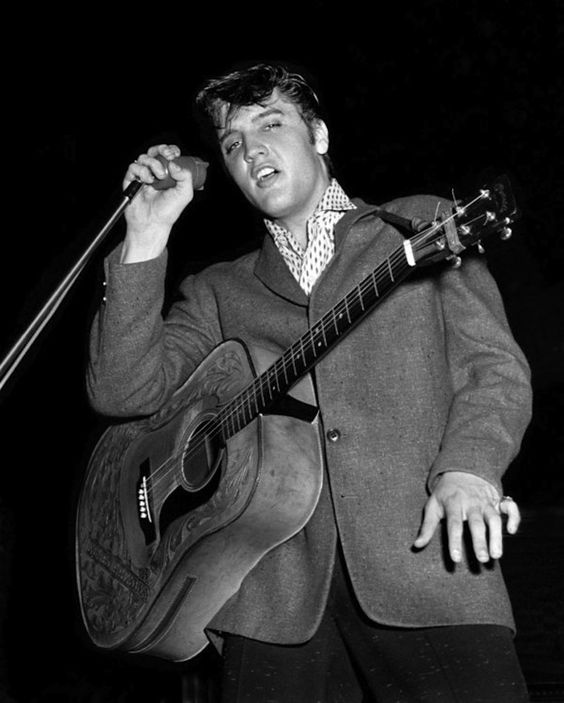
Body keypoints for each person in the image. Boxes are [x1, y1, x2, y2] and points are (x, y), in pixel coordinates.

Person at [86, 62, 533, 702]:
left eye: (271, 124)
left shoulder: (419, 227)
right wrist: (146, 234)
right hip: (266, 597)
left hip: (427, 562)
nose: (251, 150)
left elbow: (494, 371)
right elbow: (121, 392)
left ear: (318, 135)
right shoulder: (218, 291)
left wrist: (469, 469)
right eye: (233, 142)